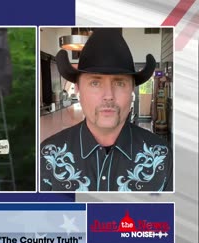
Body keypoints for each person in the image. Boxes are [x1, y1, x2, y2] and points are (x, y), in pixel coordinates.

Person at [40, 28, 172, 192]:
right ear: (78, 89)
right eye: (95, 83)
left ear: (132, 89)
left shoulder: (162, 156)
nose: (108, 96)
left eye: (119, 83)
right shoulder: (48, 155)